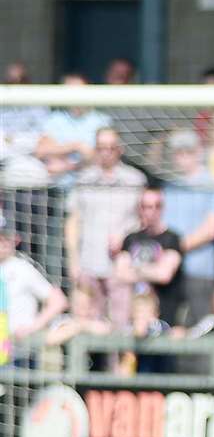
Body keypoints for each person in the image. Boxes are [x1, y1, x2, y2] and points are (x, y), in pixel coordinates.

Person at [64, 127, 146, 324]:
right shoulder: (84, 179)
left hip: (122, 268)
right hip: (89, 265)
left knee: (121, 325)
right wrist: (73, 261)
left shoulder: (135, 180)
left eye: (111, 147)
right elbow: (73, 222)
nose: (106, 152)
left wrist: (126, 241)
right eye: (101, 148)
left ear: (120, 149)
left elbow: (144, 222)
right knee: (88, 324)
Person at [161, 130, 214, 325]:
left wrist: (175, 248)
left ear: (199, 152)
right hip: (168, 273)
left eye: (187, 151)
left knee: (202, 329)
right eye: (177, 152)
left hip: (200, 271)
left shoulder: (212, 184)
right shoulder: (168, 185)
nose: (182, 157)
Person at [112, 188, 186, 326]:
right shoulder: (130, 238)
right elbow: (121, 273)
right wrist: (153, 270)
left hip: (164, 312)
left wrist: (135, 268)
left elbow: (164, 275)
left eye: (157, 206)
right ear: (140, 209)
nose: (152, 211)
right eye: (147, 206)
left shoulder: (172, 238)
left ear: (163, 208)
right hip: (133, 313)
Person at [0, 223, 68, 363]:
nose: (2, 242)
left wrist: (33, 327)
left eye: (5, 237)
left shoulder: (24, 268)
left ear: (16, 239)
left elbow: (58, 301)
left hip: (18, 352)